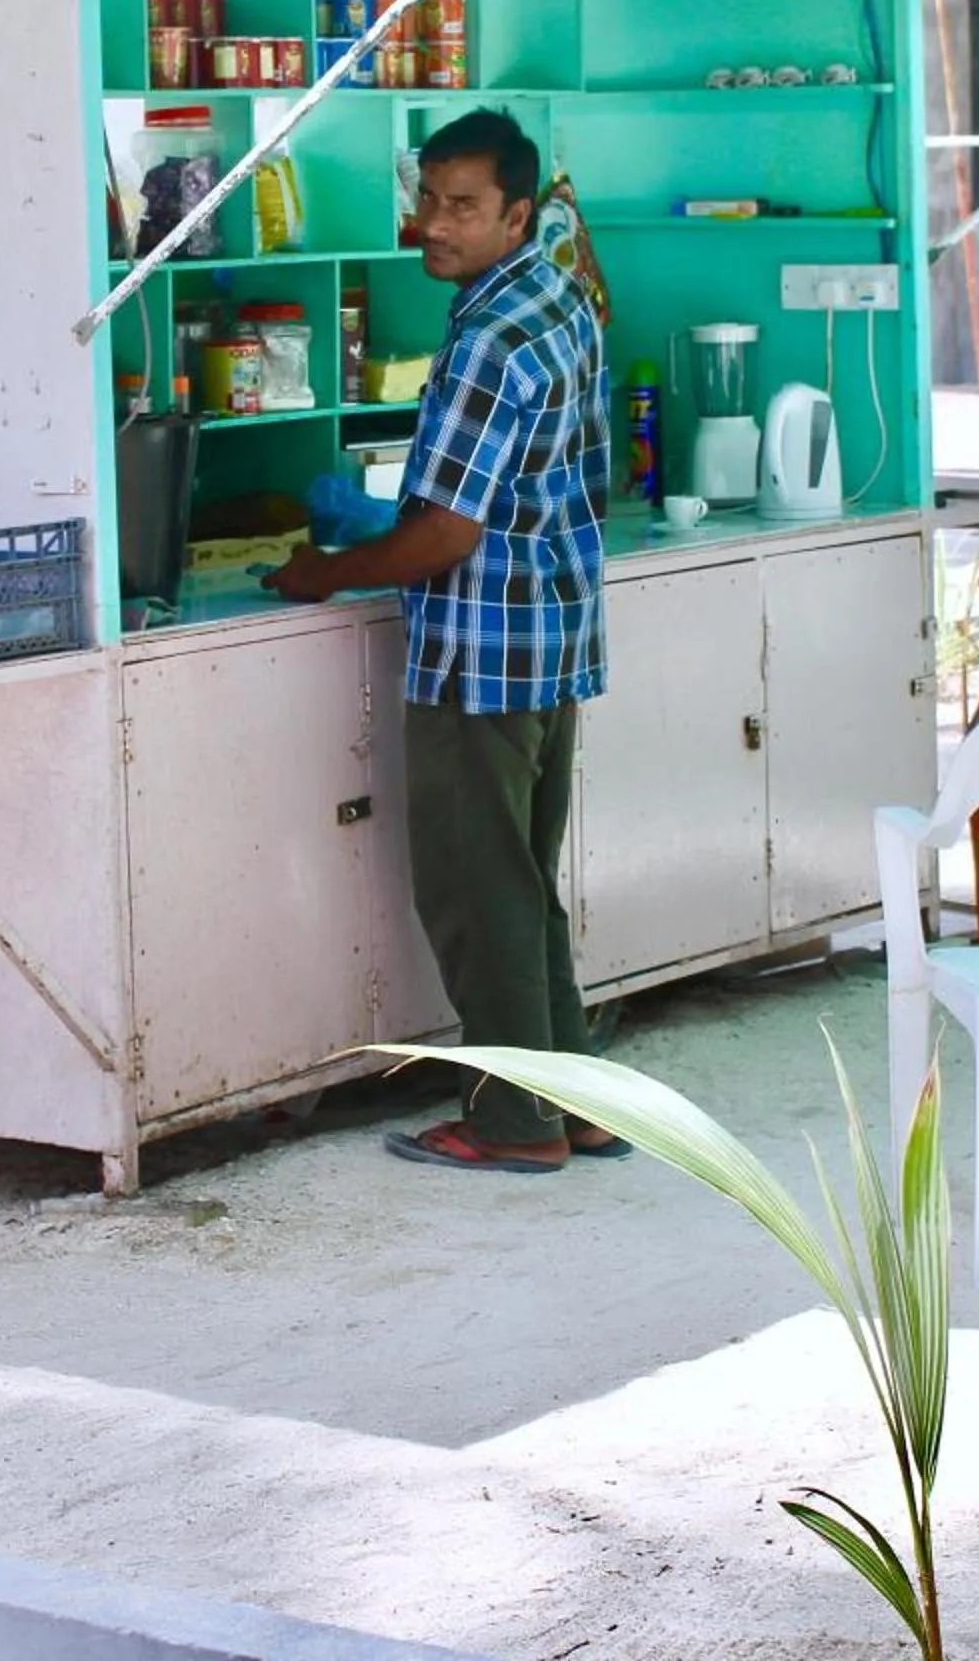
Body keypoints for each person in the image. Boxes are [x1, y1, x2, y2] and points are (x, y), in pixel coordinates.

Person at [267, 109, 613, 1174]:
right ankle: (577, 1098)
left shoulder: (486, 337)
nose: (435, 223)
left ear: (517, 212)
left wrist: (321, 570)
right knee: (520, 877)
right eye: (428, 197)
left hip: (480, 643)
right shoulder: (558, 293)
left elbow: (446, 534)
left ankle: (516, 1122)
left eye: (464, 207)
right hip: (550, 631)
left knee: (476, 889)